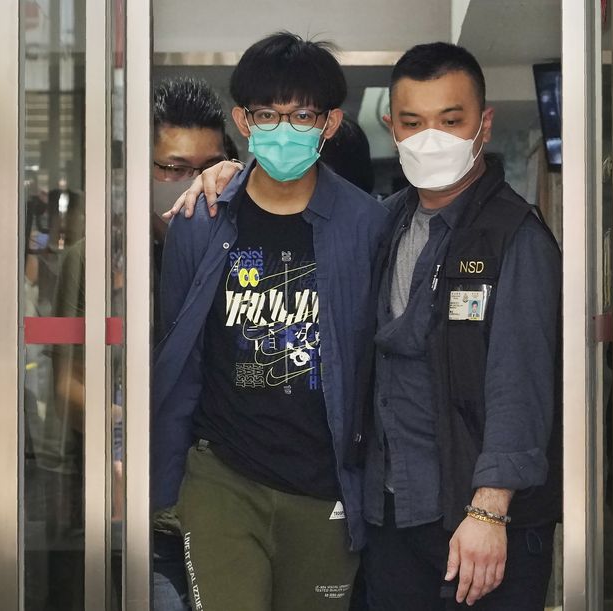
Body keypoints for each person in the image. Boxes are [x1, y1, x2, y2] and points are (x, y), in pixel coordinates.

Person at [168, 41, 562, 611]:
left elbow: (520, 384)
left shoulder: (511, 235)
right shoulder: (390, 221)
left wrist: (490, 509)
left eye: (451, 121)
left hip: (471, 520)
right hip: (389, 512)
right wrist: (226, 175)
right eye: (413, 122)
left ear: (483, 124)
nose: (431, 138)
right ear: (392, 128)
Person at [151, 32, 387, 611]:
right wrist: (163, 486)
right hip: (224, 479)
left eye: (302, 115)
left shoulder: (367, 227)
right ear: (243, 119)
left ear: (330, 123)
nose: (284, 129)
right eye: (266, 114)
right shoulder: (201, 222)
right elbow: (177, 355)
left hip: (325, 486)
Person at [151, 76, 230, 611]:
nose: (192, 183)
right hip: (136, 497)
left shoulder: (240, 242)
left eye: (208, 167)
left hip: (222, 499)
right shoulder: (105, 256)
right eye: (174, 168)